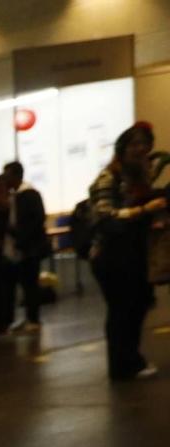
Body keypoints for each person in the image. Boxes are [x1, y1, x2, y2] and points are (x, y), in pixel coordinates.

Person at [88, 123, 169, 382]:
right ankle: (124, 365)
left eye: (145, 144)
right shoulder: (108, 177)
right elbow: (105, 216)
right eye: (135, 144)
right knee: (122, 310)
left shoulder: (138, 177)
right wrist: (144, 211)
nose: (141, 149)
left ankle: (129, 361)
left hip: (133, 254)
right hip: (111, 256)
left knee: (135, 308)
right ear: (122, 147)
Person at [0, 163, 50, 332]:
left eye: (8, 176)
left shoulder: (30, 195)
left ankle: (33, 318)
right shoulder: (13, 197)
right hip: (16, 248)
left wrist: (20, 235)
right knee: (17, 284)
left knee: (30, 284)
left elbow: (36, 220)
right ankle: (19, 318)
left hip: (29, 248)